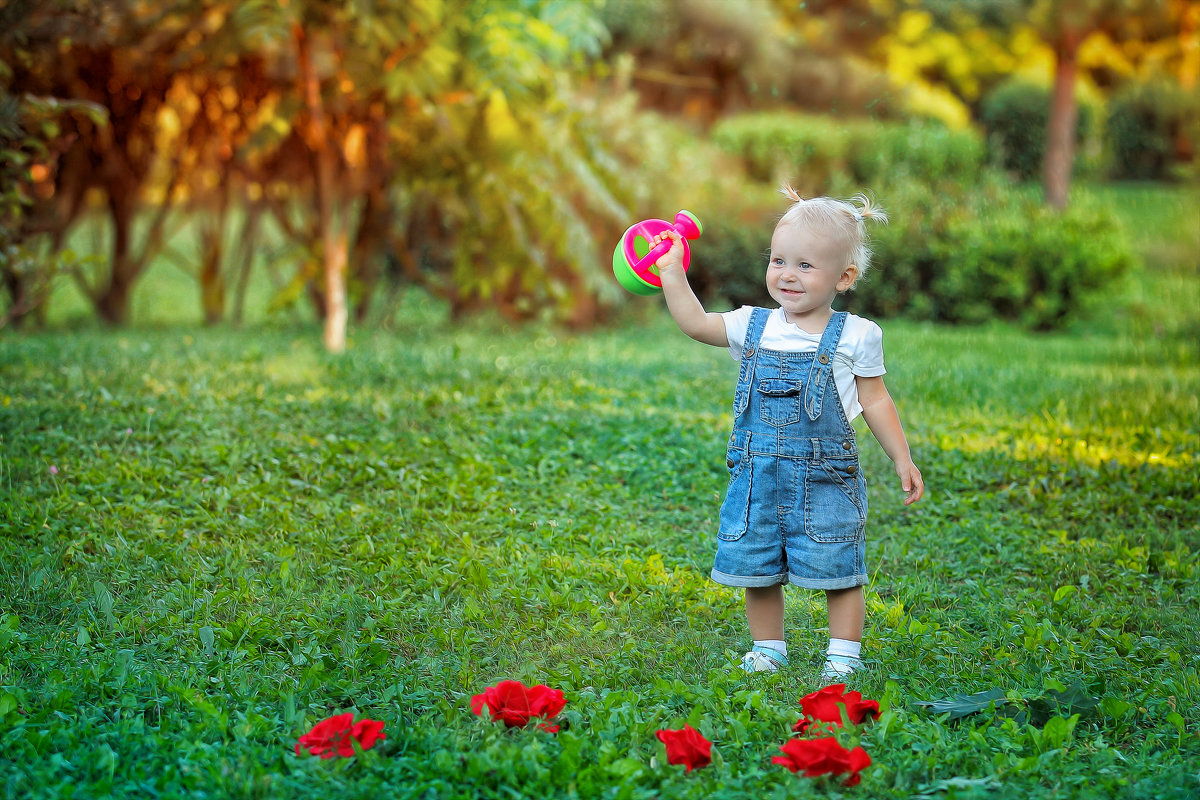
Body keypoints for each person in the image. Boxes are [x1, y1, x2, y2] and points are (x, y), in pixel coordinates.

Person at [651, 186, 924, 681]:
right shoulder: (751, 324)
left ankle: (843, 656)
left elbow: (875, 399)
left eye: (805, 265)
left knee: (840, 567)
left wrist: (901, 458)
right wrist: (672, 274)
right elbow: (695, 323)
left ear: (844, 278)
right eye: (779, 260)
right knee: (757, 568)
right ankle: (768, 648)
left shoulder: (858, 335)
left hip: (825, 477)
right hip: (757, 476)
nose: (787, 274)